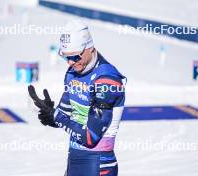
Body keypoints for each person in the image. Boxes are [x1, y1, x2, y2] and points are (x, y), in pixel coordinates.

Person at [28, 20, 126, 176]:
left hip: (99, 165)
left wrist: (57, 116)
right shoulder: (72, 73)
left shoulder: (107, 80)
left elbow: (90, 137)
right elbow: (66, 117)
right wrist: (49, 114)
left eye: (75, 56)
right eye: (66, 57)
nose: (71, 62)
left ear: (90, 48)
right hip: (74, 160)